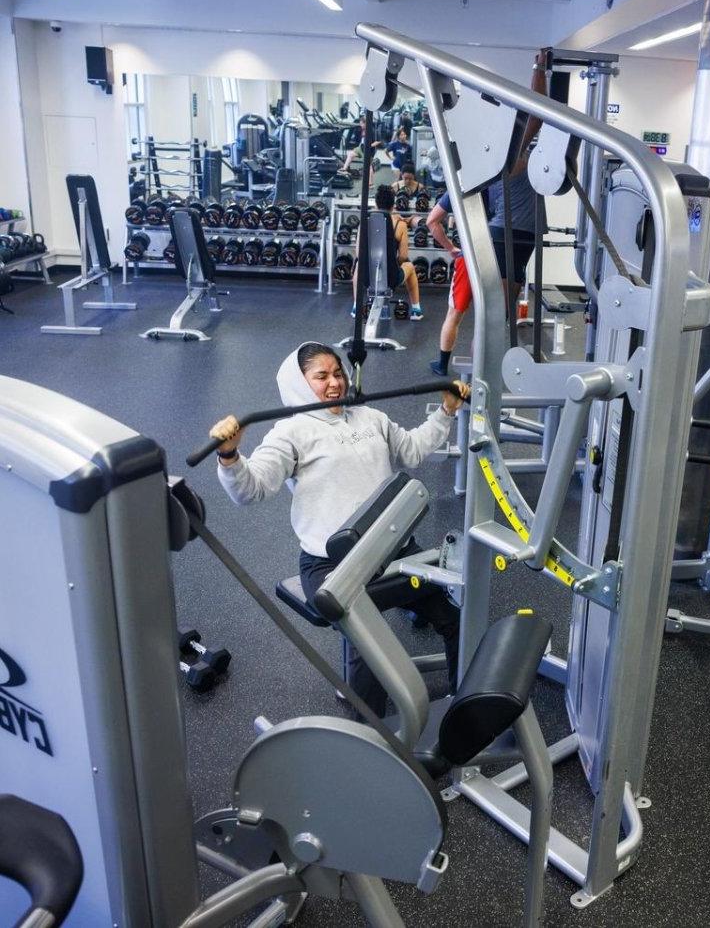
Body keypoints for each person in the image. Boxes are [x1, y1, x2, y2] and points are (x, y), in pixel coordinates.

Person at [210, 342, 469, 718]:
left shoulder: (370, 417)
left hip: (393, 550)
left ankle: (466, 703)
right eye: (321, 377)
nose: (334, 383)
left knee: (456, 615)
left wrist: (446, 411)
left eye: (338, 373)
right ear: (300, 384)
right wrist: (230, 456)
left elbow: (413, 451)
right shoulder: (291, 432)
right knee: (370, 648)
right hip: (332, 564)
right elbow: (250, 490)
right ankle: (372, 739)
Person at [427, 51, 548, 376]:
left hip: (514, 236)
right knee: (494, 317)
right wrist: (539, 67)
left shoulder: (487, 165)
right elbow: (536, 114)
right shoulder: (505, 160)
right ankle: (484, 375)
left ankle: (488, 374)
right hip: (506, 237)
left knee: (499, 318)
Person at [352, 184, 424, 320]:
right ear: (393, 205)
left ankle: (356, 307)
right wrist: (391, 263)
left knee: (358, 265)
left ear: (376, 203)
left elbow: (359, 254)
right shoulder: (400, 224)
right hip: (391, 279)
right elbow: (403, 256)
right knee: (410, 267)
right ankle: (416, 310)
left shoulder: (364, 222)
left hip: (367, 278)